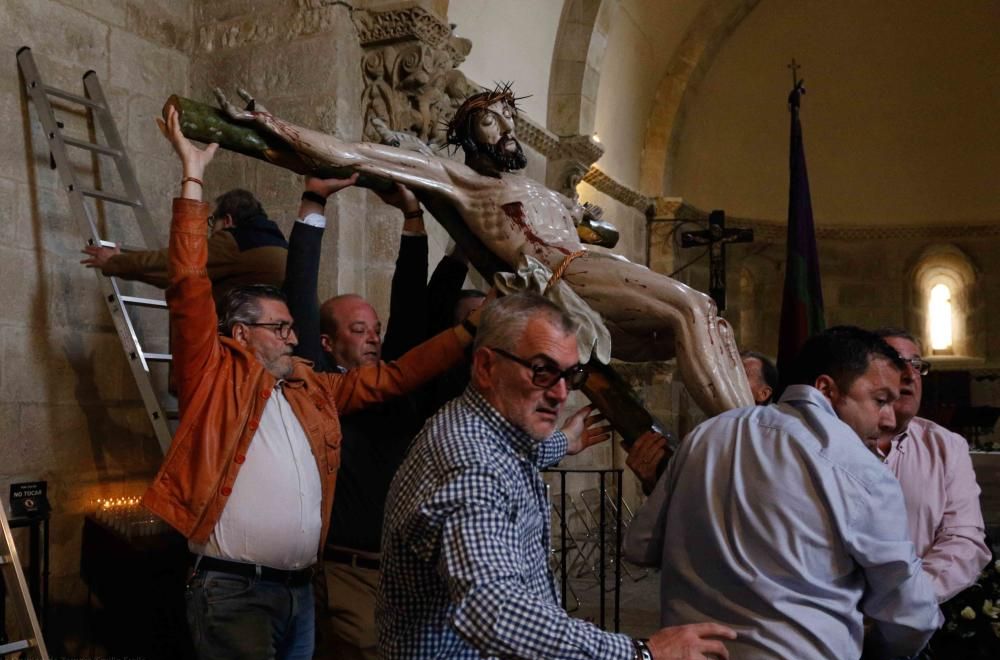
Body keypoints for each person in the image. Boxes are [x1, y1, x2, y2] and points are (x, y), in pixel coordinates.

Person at [141, 106, 477, 660]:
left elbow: (395, 375)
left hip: (299, 592)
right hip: (234, 594)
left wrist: (468, 332)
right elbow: (188, 282)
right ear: (241, 333)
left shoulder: (308, 386)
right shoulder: (212, 376)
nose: (294, 338)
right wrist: (192, 176)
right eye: (282, 329)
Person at [212, 85, 753, 417]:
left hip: (596, 265)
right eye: (491, 119)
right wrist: (272, 124)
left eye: (509, 119)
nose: (507, 127)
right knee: (693, 307)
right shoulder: (467, 183)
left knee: (696, 329)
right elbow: (353, 153)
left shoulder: (546, 191)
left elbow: (602, 232)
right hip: (568, 274)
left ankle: (745, 432)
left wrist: (581, 215)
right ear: (469, 134)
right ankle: (752, 441)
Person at [378, 292, 738, 660]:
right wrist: (642, 656)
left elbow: (520, 456)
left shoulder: (486, 429)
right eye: (542, 371)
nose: (560, 393)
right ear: (485, 367)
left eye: (570, 375)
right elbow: (494, 609)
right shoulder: (470, 464)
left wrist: (565, 440)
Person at [625, 326, 943, 660]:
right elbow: (911, 615)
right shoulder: (861, 471)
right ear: (826, 389)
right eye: (879, 401)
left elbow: (639, 545)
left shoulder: (706, 435)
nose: (888, 419)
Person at [282, 173, 470, 660]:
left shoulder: (396, 392)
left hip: (395, 577)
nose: (372, 338)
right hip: (334, 576)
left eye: (375, 329)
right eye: (358, 329)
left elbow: (410, 307)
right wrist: (314, 201)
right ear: (326, 343)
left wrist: (413, 217)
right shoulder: (318, 389)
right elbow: (299, 293)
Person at [873, 328, 990, 601]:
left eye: (916, 365)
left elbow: (964, 539)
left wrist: (909, 599)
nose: (909, 374)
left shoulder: (946, 446)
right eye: (895, 362)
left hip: (919, 613)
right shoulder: (834, 442)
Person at [81, 187, 287, 304]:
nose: (210, 231)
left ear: (228, 220)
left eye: (211, 222)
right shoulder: (276, 244)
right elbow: (180, 275)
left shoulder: (235, 242)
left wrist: (114, 262)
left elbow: (174, 263)